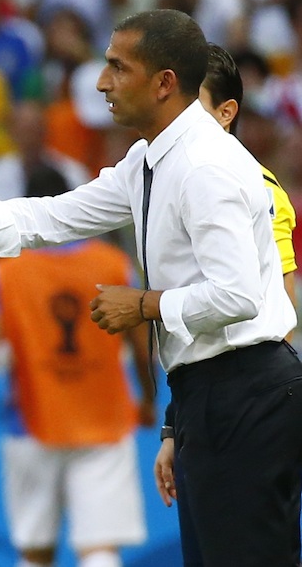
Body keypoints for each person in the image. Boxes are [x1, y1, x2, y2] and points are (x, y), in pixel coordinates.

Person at [0, 9, 302, 566]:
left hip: (245, 396)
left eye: (118, 68)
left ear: (164, 83)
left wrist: (143, 304)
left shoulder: (204, 167)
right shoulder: (150, 159)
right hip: (209, 394)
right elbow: (52, 216)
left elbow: (238, 296)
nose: (102, 83)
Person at [0, 165, 154, 567]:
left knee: (35, 552)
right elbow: (143, 349)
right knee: (100, 549)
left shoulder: (2, 275)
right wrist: (147, 399)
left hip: (31, 424)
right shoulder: (114, 266)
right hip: (104, 419)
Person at [153, 42, 299, 566]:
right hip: (205, 403)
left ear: (225, 112)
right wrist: (177, 424)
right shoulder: (176, 177)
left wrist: (258, 417)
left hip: (247, 407)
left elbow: (277, 312)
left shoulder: (254, 186)